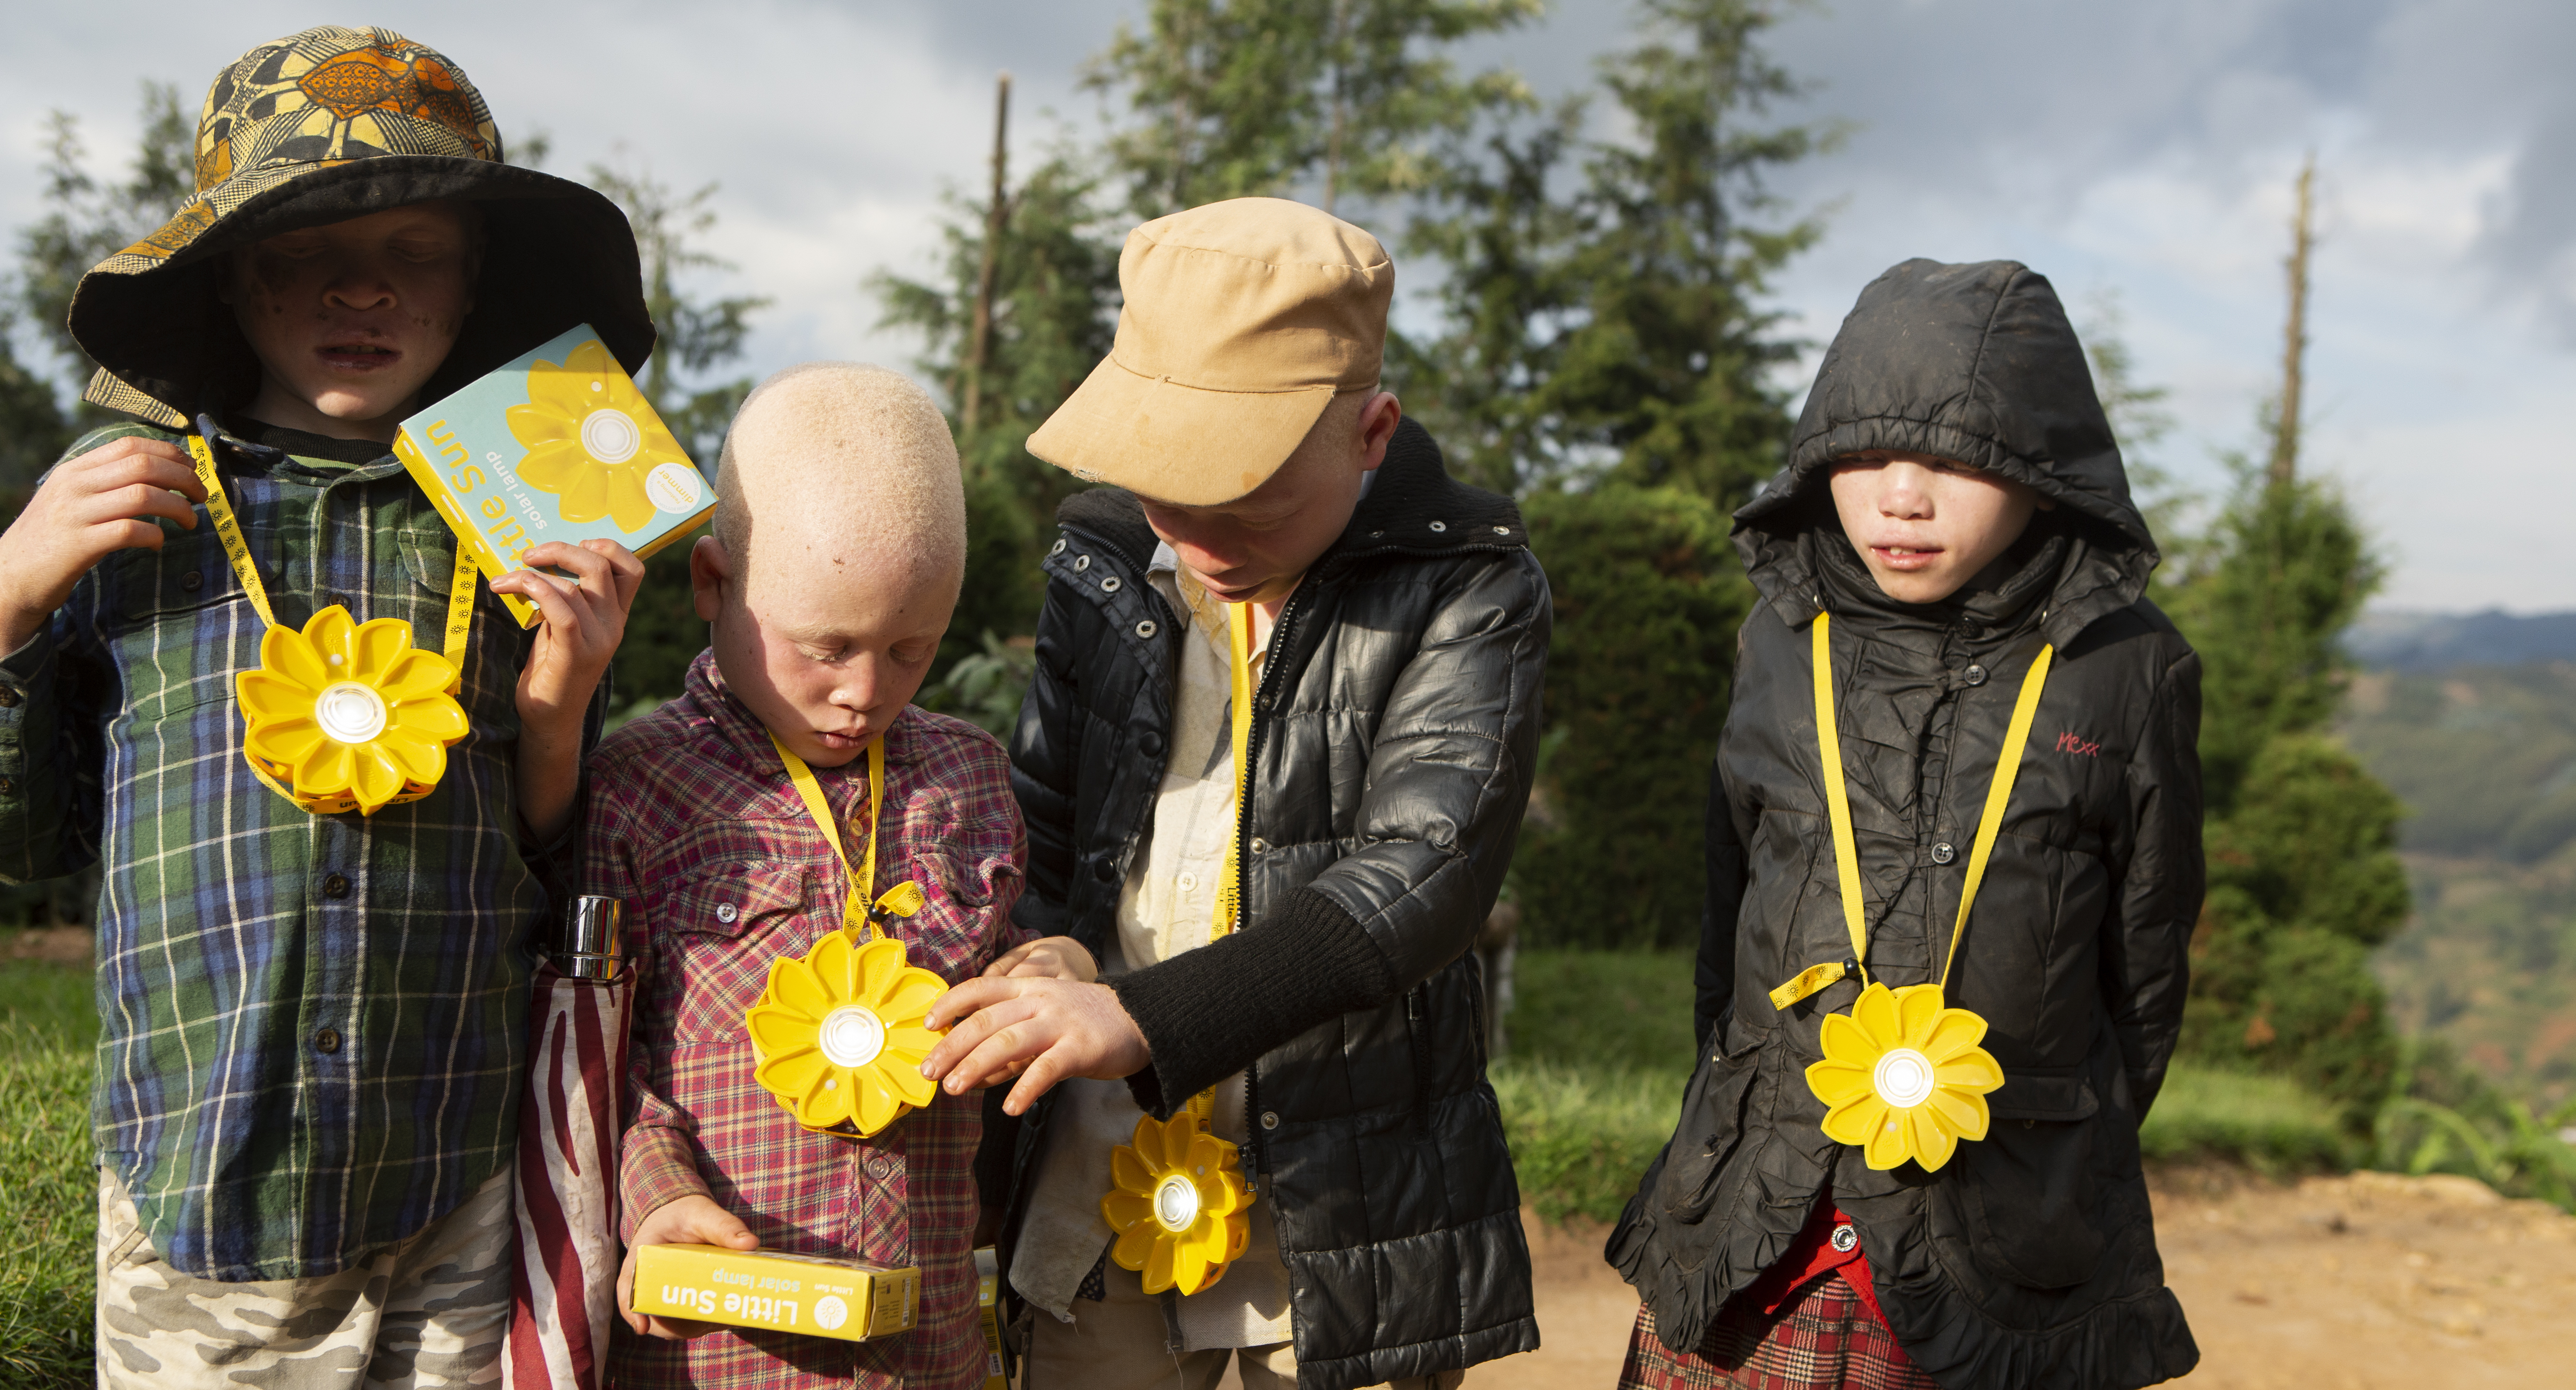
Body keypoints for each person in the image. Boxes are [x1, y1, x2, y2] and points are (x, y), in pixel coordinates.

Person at [0, 26, 652, 1387]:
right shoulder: (126, 505)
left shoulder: (524, 518)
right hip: (211, 1179)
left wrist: (558, 713)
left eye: (415, 252)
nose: (362, 287)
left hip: (455, 1171)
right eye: (304, 254)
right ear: (234, 285)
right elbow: (23, 846)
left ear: (472, 287)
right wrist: (7, 600)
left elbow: (551, 859)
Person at [918, 196, 1550, 1390]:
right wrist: (1047, 949)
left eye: (1248, 496)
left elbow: (1423, 878)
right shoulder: (1101, 561)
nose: (1199, 538)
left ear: (1371, 433)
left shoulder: (1470, 586)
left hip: (1340, 1182)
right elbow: (1047, 819)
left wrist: (1144, 1017)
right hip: (1099, 1161)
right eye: (1167, 491)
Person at [1604, 259, 2204, 1390]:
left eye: (1958, 461)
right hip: (1757, 1212)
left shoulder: (2130, 668)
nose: (1902, 496)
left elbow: (2143, 979)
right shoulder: (1782, 641)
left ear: (2044, 471)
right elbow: (1726, 920)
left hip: (1998, 1230)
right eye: (1866, 455)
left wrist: (2043, 1139)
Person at [594, 363, 1054, 1389]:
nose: (864, 692)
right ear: (713, 582)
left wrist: (1038, 975)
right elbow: (597, 1056)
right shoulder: (636, 789)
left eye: (910, 649)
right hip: (722, 1349)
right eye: (827, 647)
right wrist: (656, 1195)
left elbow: (999, 979)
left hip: (929, 1340)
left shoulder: (969, 778)